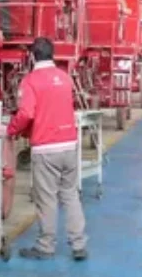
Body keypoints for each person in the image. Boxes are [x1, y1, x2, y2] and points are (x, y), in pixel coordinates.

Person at [8, 37, 87, 261]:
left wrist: (11, 130)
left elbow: (26, 114)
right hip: (69, 145)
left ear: (33, 56)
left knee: (47, 198)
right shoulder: (65, 79)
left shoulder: (31, 81)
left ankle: (46, 245)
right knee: (70, 195)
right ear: (53, 55)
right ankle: (78, 244)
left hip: (46, 148)